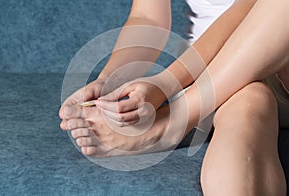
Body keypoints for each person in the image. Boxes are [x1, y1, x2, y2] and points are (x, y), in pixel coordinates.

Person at [59, 0, 289, 194]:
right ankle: (189, 107)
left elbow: (247, 8)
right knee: (248, 108)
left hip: (273, 64)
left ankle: (176, 118)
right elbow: (148, 18)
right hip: (209, 78)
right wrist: (111, 79)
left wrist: (168, 82)